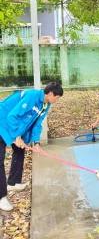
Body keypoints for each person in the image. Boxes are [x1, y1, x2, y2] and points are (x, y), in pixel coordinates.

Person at [0, 82, 63, 211]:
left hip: (13, 126)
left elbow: (37, 124)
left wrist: (37, 143)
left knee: (19, 149)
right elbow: (12, 116)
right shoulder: (31, 97)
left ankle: (13, 182)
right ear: (50, 93)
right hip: (2, 122)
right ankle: (1, 197)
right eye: (57, 98)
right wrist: (17, 136)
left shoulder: (45, 104)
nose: (57, 100)